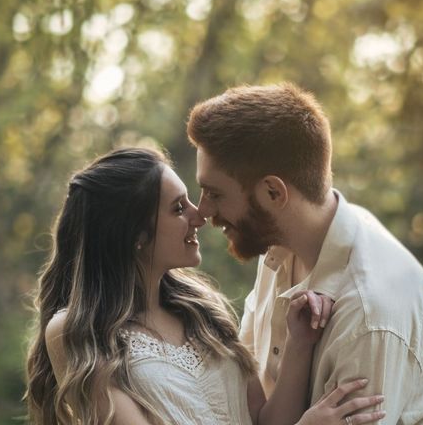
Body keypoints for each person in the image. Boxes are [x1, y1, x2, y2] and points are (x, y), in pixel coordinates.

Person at [24, 148, 386, 424]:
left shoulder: (202, 312)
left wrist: (299, 344)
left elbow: (264, 420)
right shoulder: (77, 332)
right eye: (178, 208)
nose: (200, 215)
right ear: (135, 233)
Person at [187, 83, 423, 424]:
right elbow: (246, 410)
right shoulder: (277, 248)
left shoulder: (369, 319)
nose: (203, 211)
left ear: (272, 191)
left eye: (214, 193)